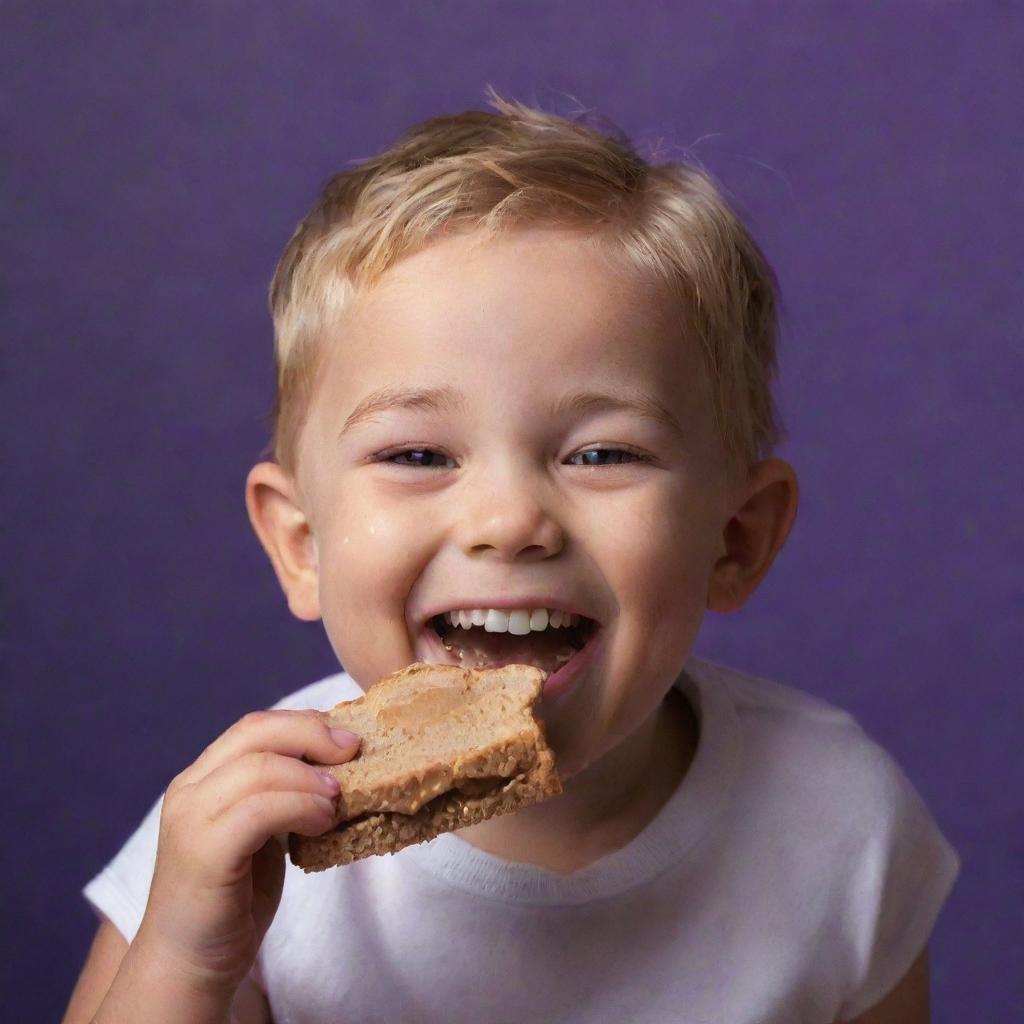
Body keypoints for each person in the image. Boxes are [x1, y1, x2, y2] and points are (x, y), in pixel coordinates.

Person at [63, 90, 960, 1024]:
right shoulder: (242, 838)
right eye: (417, 455)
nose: (509, 521)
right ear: (302, 544)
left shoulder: (840, 823)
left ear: (735, 539)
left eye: (601, 454)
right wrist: (184, 959)